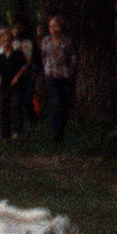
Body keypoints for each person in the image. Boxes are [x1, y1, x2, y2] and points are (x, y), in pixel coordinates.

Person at [0, 20, 33, 141]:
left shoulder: (17, 54)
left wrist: (17, 77)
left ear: (11, 41)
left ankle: (17, 130)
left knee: (15, 105)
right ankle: (5, 134)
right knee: (4, 107)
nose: (5, 43)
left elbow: (24, 66)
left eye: (8, 40)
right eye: (3, 41)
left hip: (15, 82)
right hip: (3, 82)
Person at [39, 13, 77, 143]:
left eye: (55, 25)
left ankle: (62, 129)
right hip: (51, 74)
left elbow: (72, 57)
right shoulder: (46, 41)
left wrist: (70, 69)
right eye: (51, 26)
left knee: (64, 103)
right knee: (55, 102)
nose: (53, 28)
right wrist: (46, 69)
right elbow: (43, 56)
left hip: (64, 75)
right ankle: (56, 132)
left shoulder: (66, 41)